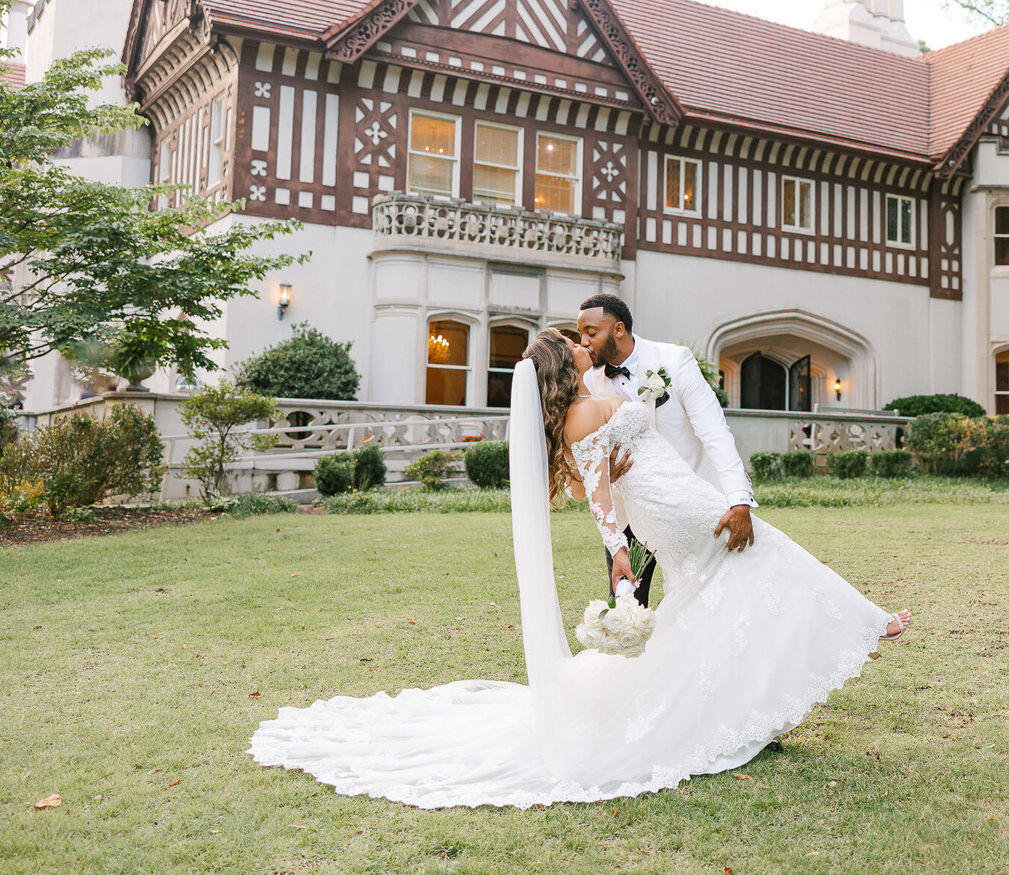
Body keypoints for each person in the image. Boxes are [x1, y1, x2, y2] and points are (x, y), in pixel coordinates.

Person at [248, 328, 911, 809]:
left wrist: (620, 551)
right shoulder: (596, 406)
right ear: (564, 367)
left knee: (711, 595)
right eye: (570, 344)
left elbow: (597, 495)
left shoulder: (567, 424)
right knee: (768, 551)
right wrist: (641, 416)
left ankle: (764, 696)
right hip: (679, 504)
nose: (578, 344)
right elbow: (633, 434)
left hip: (655, 517)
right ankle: (869, 622)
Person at [575, 294, 755, 608]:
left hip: (687, 506)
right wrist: (605, 474)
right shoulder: (586, 381)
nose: (584, 342)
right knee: (627, 610)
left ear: (619, 329)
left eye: (591, 333)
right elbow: (581, 455)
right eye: (581, 336)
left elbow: (714, 432)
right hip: (629, 516)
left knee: (702, 602)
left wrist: (738, 498)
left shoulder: (674, 360)